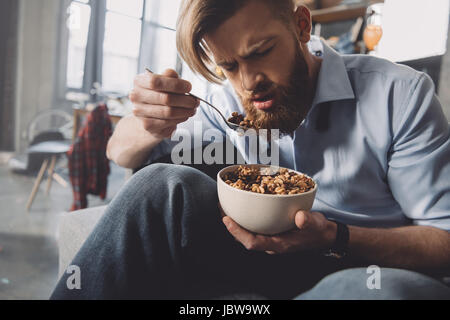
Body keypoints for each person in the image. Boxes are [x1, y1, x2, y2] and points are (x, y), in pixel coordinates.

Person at [51, 0, 450, 300]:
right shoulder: (224, 99)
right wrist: (153, 120)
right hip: (264, 260)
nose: (248, 82)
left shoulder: (399, 94)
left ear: (301, 25)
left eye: (260, 52)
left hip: (367, 265)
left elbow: (444, 241)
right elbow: (119, 152)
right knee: (163, 182)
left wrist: (334, 236)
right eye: (228, 65)